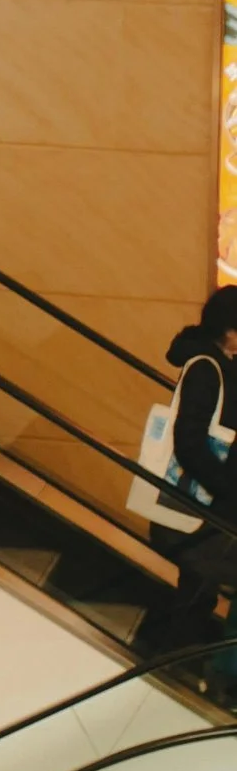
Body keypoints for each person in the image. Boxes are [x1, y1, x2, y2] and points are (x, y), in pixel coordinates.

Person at [137, 283, 237, 678]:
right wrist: (226, 488)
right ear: (229, 329)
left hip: (212, 504)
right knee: (197, 586)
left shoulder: (222, 365)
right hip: (204, 502)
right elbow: (189, 442)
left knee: (197, 589)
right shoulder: (206, 369)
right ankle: (179, 670)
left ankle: (181, 669)